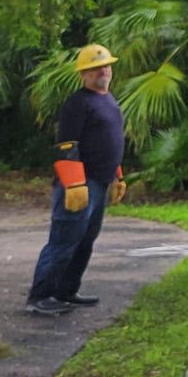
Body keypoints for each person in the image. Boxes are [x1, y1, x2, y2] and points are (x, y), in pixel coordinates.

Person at [24, 43, 127, 316]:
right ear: (83, 74)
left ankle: (66, 291)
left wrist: (117, 176)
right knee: (64, 240)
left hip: (100, 183)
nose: (102, 71)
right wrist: (73, 184)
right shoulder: (78, 104)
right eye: (94, 69)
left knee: (85, 241)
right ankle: (41, 296)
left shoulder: (109, 100)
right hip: (81, 185)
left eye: (105, 66)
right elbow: (66, 146)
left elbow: (111, 142)